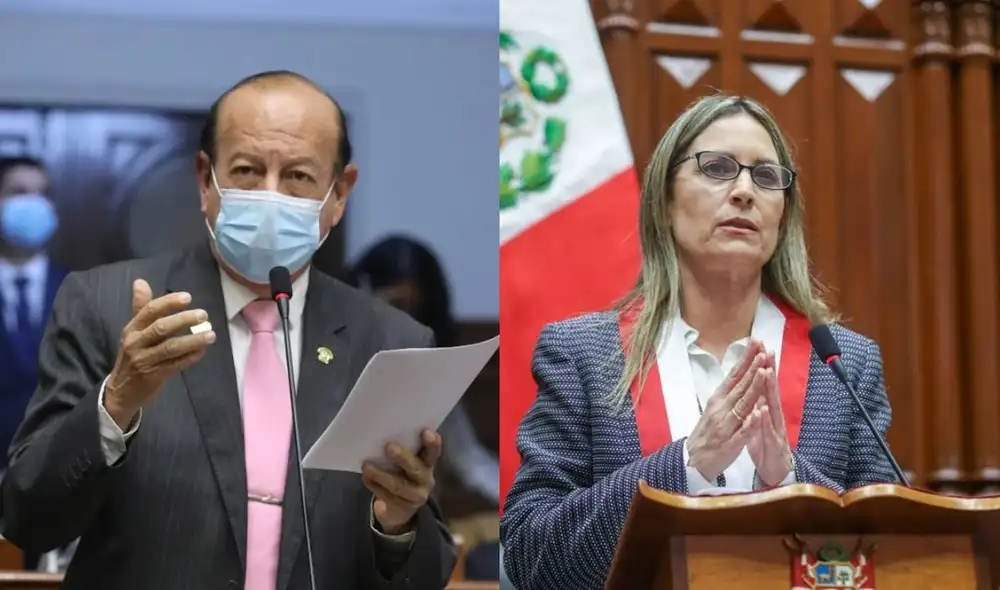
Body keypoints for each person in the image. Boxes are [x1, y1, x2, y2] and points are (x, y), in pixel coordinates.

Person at [0, 70, 455, 590]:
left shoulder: (393, 342)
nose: (269, 195)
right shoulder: (104, 306)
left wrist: (396, 523)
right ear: (204, 179)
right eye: (246, 170)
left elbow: (429, 575)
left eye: (299, 177)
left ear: (339, 193)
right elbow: (28, 517)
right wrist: (118, 400)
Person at [500, 94, 897, 589]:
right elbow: (528, 555)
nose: (744, 191)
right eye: (717, 168)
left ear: (782, 215)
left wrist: (792, 482)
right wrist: (686, 465)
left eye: (766, 176)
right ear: (664, 201)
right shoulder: (584, 355)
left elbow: (893, 554)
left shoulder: (843, 362)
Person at [345, 236, 500, 582]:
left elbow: (470, 461)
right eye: (394, 306)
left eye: (414, 312)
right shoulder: (330, 355)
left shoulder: (430, 369)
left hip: (410, 531)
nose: (404, 324)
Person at [0, 156, 67, 476]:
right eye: (19, 192)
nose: (33, 203)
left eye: (42, 193)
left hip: (58, 473)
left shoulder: (80, 290)